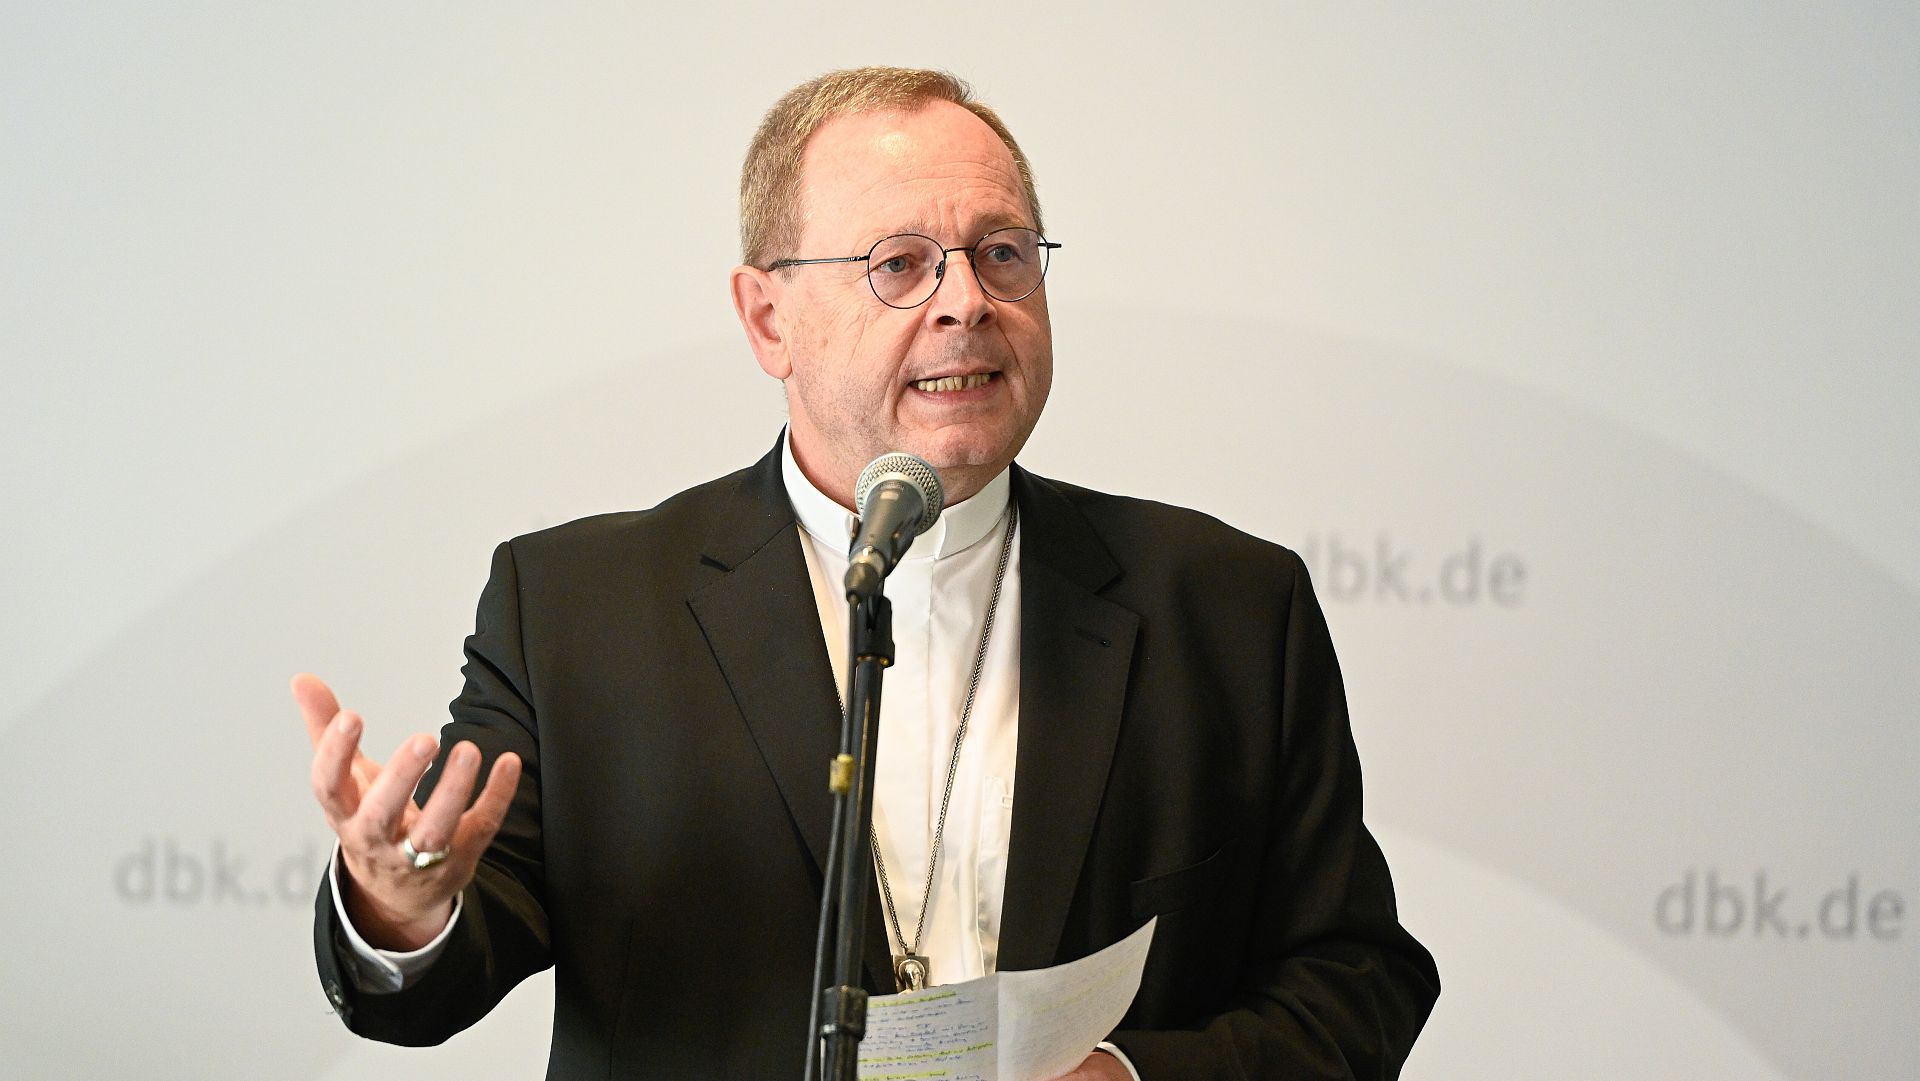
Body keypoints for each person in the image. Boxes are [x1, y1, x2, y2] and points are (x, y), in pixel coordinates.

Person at [298, 67, 1438, 1080]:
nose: (966, 301)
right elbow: (442, 965)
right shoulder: (577, 609)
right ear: (768, 319)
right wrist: (396, 907)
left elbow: (1356, 979)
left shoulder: (1229, 606)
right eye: (901, 264)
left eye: (1002, 253)